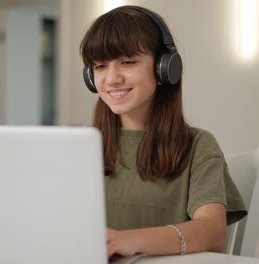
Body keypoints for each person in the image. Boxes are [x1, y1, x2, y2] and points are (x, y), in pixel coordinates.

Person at [79, 5, 247, 257]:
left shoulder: (198, 145)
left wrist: (128, 240)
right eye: (100, 66)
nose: (111, 78)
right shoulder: (80, 148)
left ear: (164, 68)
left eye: (127, 62)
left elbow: (213, 233)